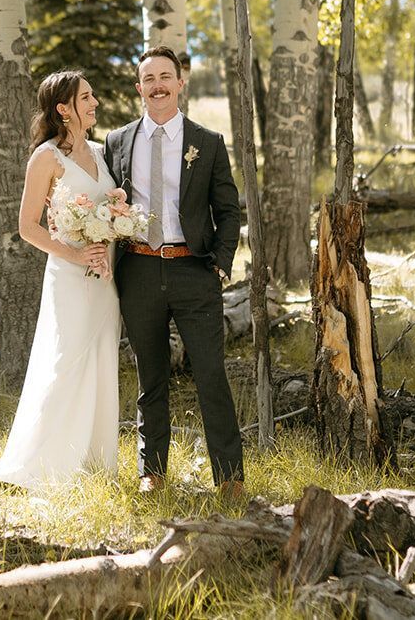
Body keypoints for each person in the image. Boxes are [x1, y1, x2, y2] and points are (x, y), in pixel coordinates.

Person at [0, 70, 121, 489]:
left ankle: (96, 463)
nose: (94, 103)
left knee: (101, 360)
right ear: (63, 109)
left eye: (93, 96)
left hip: (104, 277)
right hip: (69, 275)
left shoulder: (101, 153)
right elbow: (28, 227)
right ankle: (47, 464)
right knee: (66, 363)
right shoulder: (46, 158)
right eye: (86, 98)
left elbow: (110, 210)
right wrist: (77, 253)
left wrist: (115, 227)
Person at [104, 46, 245, 501]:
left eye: (166, 76)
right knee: (151, 377)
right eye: (149, 79)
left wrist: (221, 264)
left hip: (193, 272)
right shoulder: (118, 141)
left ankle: (229, 478)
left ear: (181, 83)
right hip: (139, 271)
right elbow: (109, 203)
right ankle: (152, 471)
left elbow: (227, 211)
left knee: (210, 376)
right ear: (139, 87)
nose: (158, 85)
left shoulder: (208, 142)